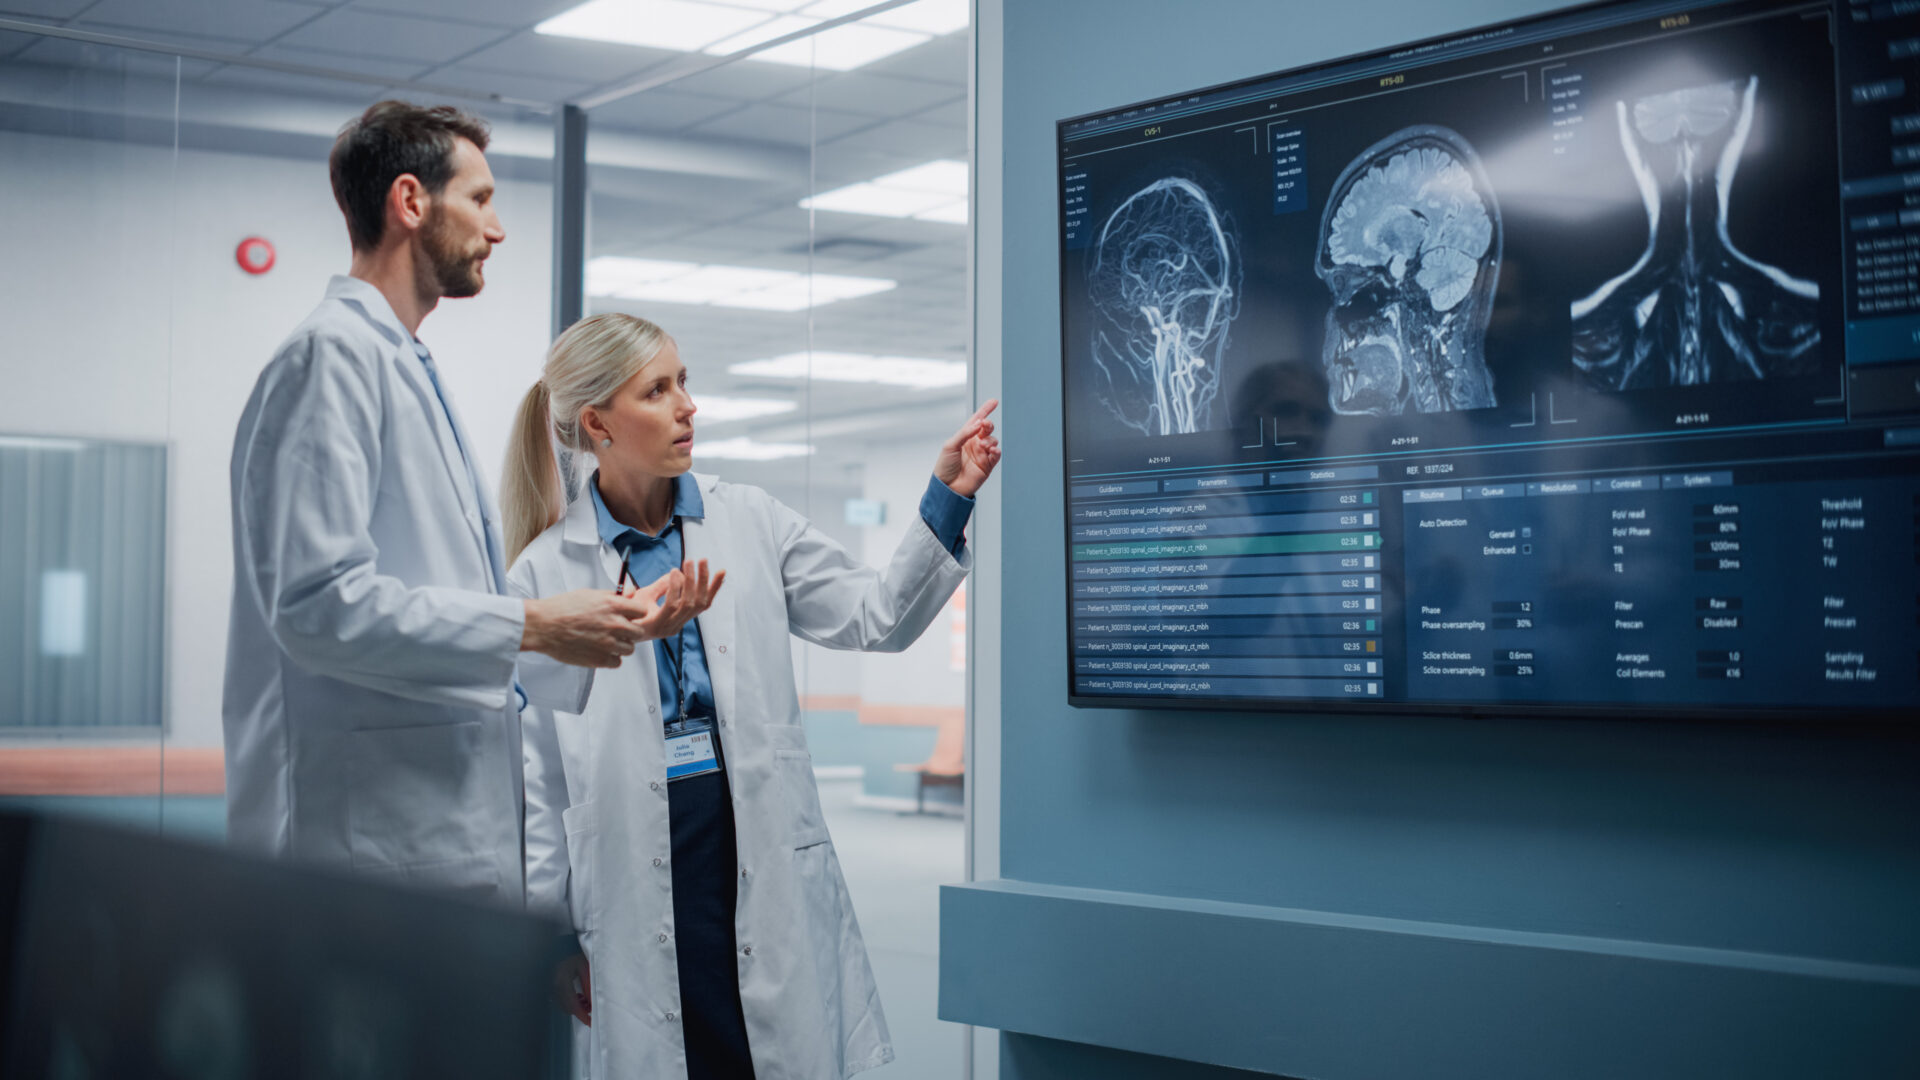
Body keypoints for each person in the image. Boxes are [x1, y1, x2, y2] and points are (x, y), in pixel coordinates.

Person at [501, 312, 1000, 1079]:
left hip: (749, 850)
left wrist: (948, 497)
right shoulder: (543, 574)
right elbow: (533, 779)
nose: (686, 406)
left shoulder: (749, 521)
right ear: (597, 423)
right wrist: (554, 933)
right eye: (658, 389)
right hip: (635, 876)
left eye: (685, 382)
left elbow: (875, 616)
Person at [224, 101, 677, 903]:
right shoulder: (331, 359)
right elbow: (315, 606)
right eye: (480, 199)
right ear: (410, 202)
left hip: (426, 843)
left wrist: (589, 632)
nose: (495, 229)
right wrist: (533, 624)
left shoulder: (401, 363)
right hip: (357, 849)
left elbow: (447, 625)